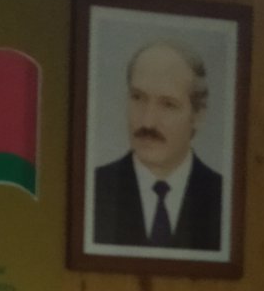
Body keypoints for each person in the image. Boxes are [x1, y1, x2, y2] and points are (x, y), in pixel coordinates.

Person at [92, 39, 223, 252]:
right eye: (138, 98)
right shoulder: (93, 190)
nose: (147, 122)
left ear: (198, 115)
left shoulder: (223, 198)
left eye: (168, 105)